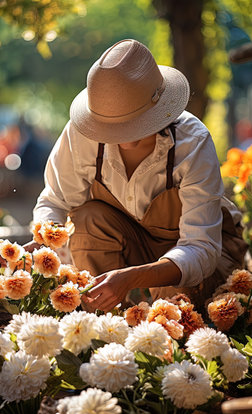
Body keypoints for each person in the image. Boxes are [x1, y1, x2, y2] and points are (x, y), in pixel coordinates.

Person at [25, 39, 248, 313]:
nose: (122, 137)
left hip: (201, 254)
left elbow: (201, 248)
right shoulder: (82, 134)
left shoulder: (192, 143)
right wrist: (41, 246)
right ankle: (105, 323)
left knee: (173, 305)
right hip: (130, 245)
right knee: (86, 218)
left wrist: (132, 276)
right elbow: (55, 202)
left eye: (132, 124)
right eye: (111, 125)